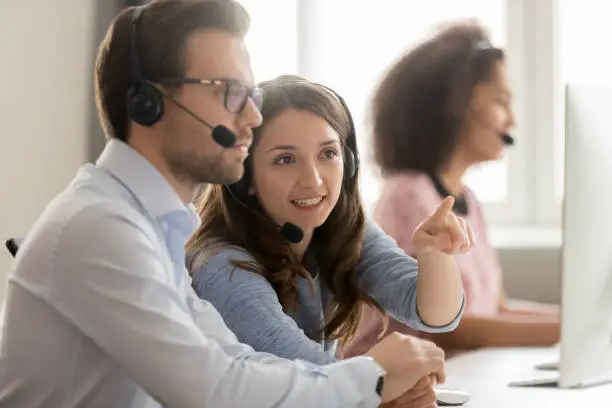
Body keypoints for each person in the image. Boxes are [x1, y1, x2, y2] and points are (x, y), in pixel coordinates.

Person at [0, 1, 450, 407]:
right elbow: (213, 391)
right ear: (148, 103)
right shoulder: (100, 227)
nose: (253, 117)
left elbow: (237, 362)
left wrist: (370, 386)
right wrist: (372, 377)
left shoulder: (148, 226)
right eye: (229, 91)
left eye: (250, 95)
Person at [186, 75, 473, 407]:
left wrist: (436, 255)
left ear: (348, 163)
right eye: (285, 159)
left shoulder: (342, 229)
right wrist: (384, 390)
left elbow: (435, 315)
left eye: (327, 154)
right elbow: (307, 373)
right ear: (244, 177)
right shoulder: (222, 266)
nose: (313, 179)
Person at [343, 20, 560, 358]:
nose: (511, 121)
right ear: (456, 105)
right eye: (501, 102)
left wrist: (578, 324)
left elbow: (494, 310)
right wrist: (567, 330)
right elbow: (446, 326)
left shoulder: (468, 200)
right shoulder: (409, 195)